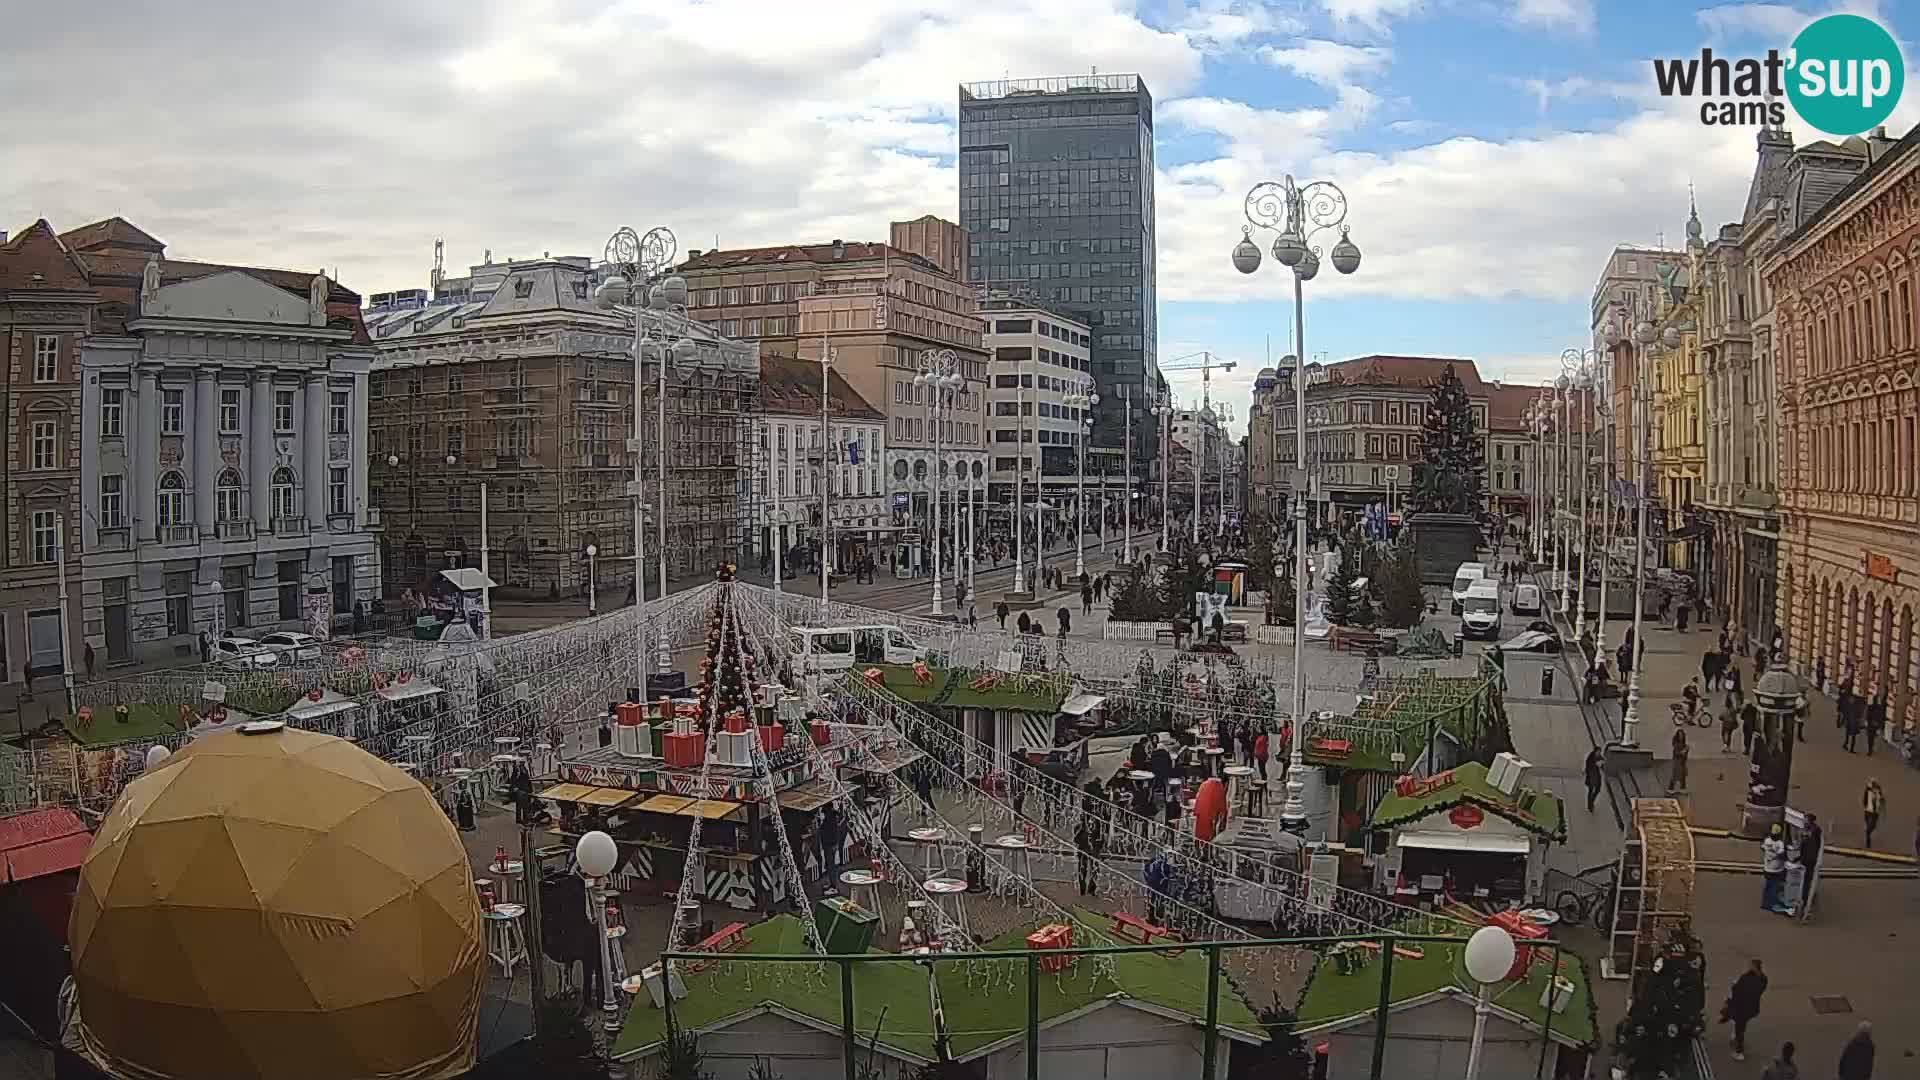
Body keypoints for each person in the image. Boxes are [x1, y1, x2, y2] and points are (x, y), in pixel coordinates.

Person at [1723, 958, 1768, 1061]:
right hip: (1753, 1007)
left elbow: (1737, 990)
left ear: (1753, 966)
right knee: (1741, 1024)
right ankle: (1736, 1037)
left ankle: (1739, 1052)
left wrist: (1733, 987)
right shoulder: (1763, 978)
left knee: (1740, 1029)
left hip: (1741, 1007)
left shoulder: (1746, 978)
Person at [1073, 786, 1106, 896]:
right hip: (1091, 849)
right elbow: (1101, 835)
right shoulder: (1096, 820)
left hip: (1086, 848)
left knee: (1086, 869)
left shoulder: (1085, 821)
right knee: (1092, 869)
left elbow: (1077, 834)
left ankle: (1086, 889)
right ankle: (1088, 889)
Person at [1760, 823, 1789, 912]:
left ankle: (1765, 904)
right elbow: (1781, 855)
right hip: (1776, 870)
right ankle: (1772, 904)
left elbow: (1762, 848)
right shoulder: (1780, 843)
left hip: (1767, 868)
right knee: (1775, 887)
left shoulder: (1767, 840)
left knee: (1768, 886)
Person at [1797, 813, 1823, 912]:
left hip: (1810, 860)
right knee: (1807, 879)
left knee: (1807, 881)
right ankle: (1806, 898)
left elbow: (1809, 845)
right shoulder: (1810, 830)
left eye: (1805, 820)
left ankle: (1805, 900)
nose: (1804, 821)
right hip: (1808, 858)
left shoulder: (1812, 831)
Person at [1863, 778, 1885, 849]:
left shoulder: (1878, 791)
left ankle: (1868, 834)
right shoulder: (1868, 790)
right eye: (1873, 784)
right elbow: (1864, 799)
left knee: (1872, 826)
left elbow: (1882, 800)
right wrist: (1866, 806)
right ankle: (1868, 841)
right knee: (1868, 826)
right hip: (1868, 811)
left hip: (1875, 813)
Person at [1584, 746, 1605, 813]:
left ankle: (1591, 801)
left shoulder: (1598, 756)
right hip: (1591, 777)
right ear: (1595, 751)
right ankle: (1590, 805)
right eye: (1598, 752)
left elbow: (1602, 759)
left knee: (1597, 789)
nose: (1599, 753)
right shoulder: (1590, 758)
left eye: (1600, 752)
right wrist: (1596, 764)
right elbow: (1588, 768)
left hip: (1596, 776)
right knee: (1591, 790)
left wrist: (1602, 762)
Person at [1668, 726, 1689, 793]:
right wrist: (1682, 752)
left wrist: (1686, 750)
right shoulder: (1676, 744)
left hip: (1682, 761)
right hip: (1677, 761)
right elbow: (1676, 753)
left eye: (1682, 735)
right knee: (1675, 775)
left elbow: (1685, 752)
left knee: (1682, 775)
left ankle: (1683, 788)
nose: (1681, 737)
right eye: (1680, 735)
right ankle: (1670, 789)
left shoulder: (1683, 744)